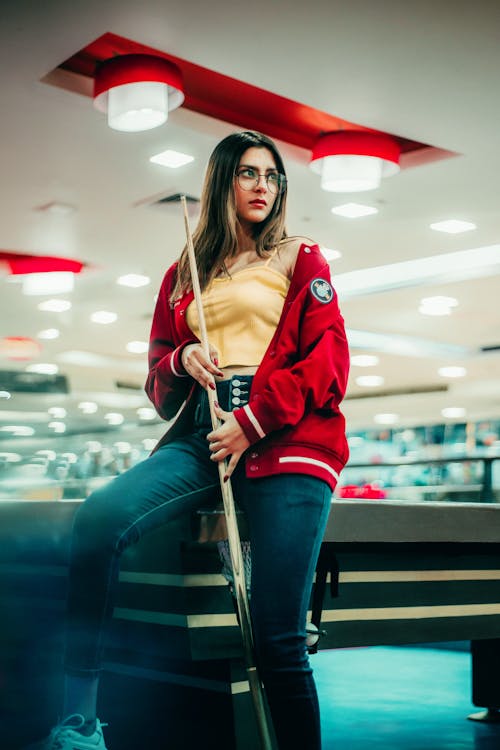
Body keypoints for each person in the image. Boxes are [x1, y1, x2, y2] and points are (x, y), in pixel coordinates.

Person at [28, 130, 350, 750]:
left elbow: (328, 366)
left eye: (273, 176)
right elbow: (156, 381)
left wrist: (253, 420)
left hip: (283, 436)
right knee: (98, 518)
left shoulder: (301, 257)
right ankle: (80, 720)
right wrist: (184, 360)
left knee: (275, 637)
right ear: (222, 181)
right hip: (202, 431)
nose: (263, 186)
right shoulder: (184, 274)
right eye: (249, 174)